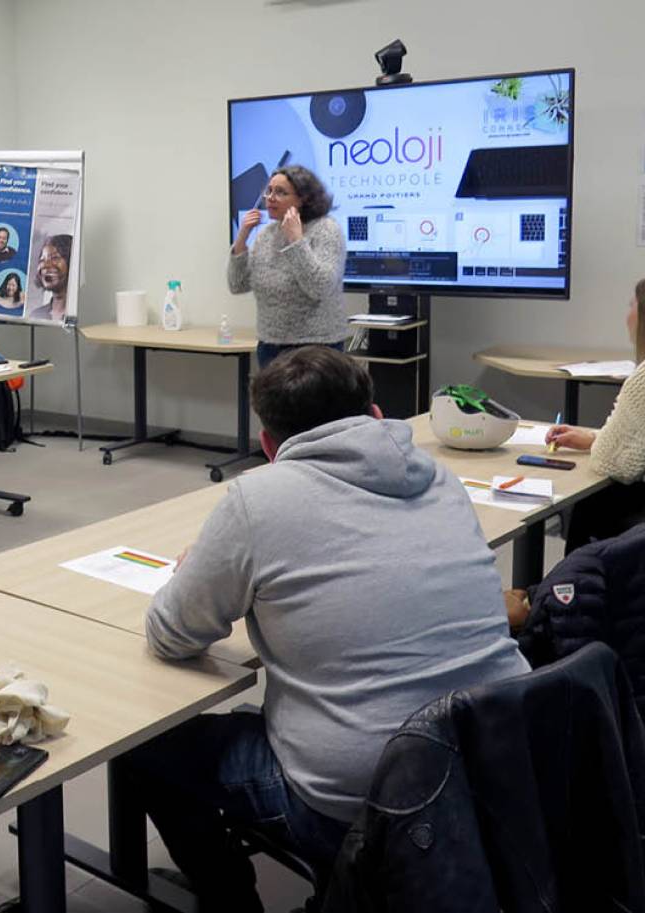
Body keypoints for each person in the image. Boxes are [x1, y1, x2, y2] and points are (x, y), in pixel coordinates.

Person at [133, 346, 529, 911]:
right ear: (372, 414)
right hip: (494, 772)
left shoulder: (257, 499)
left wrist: (197, 572)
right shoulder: (439, 479)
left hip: (361, 805)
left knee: (150, 746)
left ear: (270, 447)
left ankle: (231, 903)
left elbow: (172, 634)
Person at [547, 272, 645, 553]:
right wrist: (594, 438)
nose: (628, 315)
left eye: (632, 306)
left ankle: (575, 591)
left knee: (593, 502)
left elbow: (614, 465)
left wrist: (601, 445)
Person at [228, 165, 348, 369]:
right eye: (269, 191)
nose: (270, 198)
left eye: (280, 192)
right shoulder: (266, 234)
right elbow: (237, 285)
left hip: (316, 348)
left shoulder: (326, 229)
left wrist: (296, 240)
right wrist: (242, 237)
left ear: (304, 199)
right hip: (270, 346)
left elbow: (319, 287)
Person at [26, 234, 72, 323]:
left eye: (55, 257)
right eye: (42, 260)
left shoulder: (85, 314)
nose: (45, 265)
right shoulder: (36, 315)